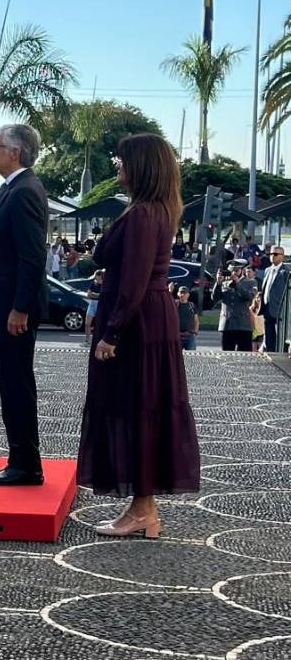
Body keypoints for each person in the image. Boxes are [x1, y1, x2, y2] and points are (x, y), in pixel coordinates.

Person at [80, 133, 200, 538]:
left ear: (141, 166)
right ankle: (142, 509)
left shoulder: (144, 214)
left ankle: (143, 510)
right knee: (140, 409)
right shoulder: (152, 210)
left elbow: (131, 282)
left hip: (136, 325)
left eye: (122, 161)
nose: (117, 167)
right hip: (146, 319)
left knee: (135, 409)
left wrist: (110, 333)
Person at [0, 123, 50, 487]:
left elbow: (32, 256)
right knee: (12, 383)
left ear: (15, 152)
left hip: (13, 311)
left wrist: (20, 307)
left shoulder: (24, 191)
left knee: (16, 384)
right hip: (4, 306)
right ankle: (21, 458)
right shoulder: (12, 189)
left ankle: (25, 463)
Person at [216, 259, 256, 352]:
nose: (233, 273)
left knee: (245, 356)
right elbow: (215, 298)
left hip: (243, 325)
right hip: (227, 325)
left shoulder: (250, 282)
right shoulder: (225, 283)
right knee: (227, 354)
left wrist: (237, 283)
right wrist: (218, 283)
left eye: (236, 270)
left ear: (242, 270)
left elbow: (249, 297)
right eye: (232, 270)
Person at [262, 246, 288, 354]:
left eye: (276, 254)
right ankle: (270, 353)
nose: (273, 256)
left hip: (280, 309)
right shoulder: (267, 270)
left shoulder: (286, 272)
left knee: (280, 335)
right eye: (271, 254)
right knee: (269, 334)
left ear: (283, 257)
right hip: (267, 306)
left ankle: (280, 354)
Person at [84, 270, 103, 345]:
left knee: (99, 324)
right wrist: (97, 295)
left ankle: (99, 341)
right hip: (92, 304)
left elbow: (103, 296)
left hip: (100, 305)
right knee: (87, 324)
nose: (97, 280)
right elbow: (88, 295)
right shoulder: (93, 283)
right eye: (96, 277)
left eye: (99, 278)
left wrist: (95, 294)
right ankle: (87, 340)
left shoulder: (104, 284)